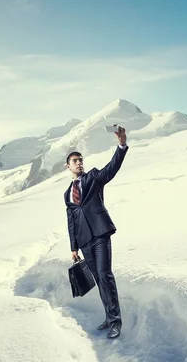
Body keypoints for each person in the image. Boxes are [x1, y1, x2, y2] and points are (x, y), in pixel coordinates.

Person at [64, 125, 128, 339]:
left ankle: (116, 321)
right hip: (84, 241)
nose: (79, 163)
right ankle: (109, 318)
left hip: (100, 234)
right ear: (68, 166)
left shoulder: (93, 177)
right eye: (75, 161)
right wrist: (74, 247)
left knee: (105, 275)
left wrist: (121, 145)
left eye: (81, 160)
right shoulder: (67, 194)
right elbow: (71, 220)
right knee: (99, 280)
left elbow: (112, 168)